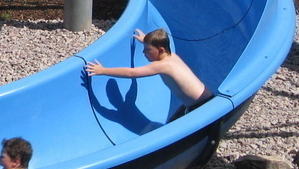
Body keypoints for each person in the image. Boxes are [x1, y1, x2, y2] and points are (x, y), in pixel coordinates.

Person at [86, 28, 214, 113]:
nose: (144, 52)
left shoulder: (163, 65)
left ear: (161, 50)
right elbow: (133, 89)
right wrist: (146, 41)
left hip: (201, 107)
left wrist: (103, 70)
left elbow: (131, 73)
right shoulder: (172, 56)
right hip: (207, 99)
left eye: (148, 49)